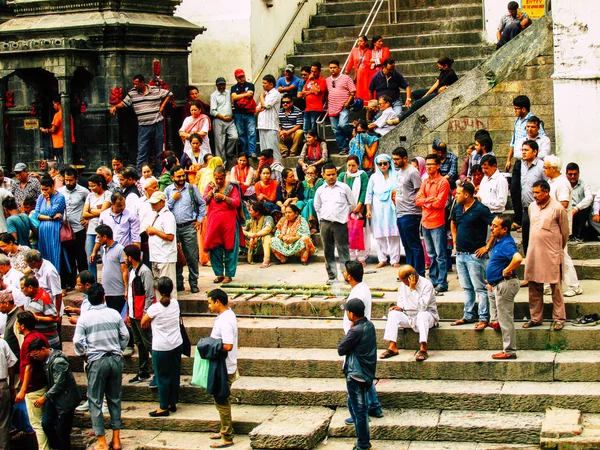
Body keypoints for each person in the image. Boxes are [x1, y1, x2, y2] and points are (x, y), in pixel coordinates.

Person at [73, 283, 129, 450]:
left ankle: (101, 441)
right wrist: (119, 349)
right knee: (115, 399)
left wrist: (85, 354)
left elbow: (77, 341)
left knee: (95, 401)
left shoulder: (85, 318)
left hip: (96, 361)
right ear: (103, 297)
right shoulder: (114, 314)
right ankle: (117, 439)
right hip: (115, 359)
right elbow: (125, 335)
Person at [341, 261, 383, 423]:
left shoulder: (358, 293)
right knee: (364, 373)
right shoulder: (362, 288)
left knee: (357, 376)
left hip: (356, 339)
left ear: (349, 276)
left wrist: (350, 339)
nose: (343, 274)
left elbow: (355, 319)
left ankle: (360, 413)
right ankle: (375, 406)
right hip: (361, 336)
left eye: (345, 271)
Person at [524, 181, 569, 331]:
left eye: (537, 192)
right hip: (534, 253)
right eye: (534, 192)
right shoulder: (532, 207)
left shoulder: (557, 208)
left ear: (547, 192)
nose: (535, 195)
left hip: (552, 253)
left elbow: (565, 233)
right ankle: (535, 318)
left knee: (555, 287)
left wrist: (557, 249)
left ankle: (559, 318)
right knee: (534, 286)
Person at [450, 182, 494, 329]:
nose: (456, 195)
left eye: (458, 193)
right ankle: (468, 315)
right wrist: (455, 241)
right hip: (460, 254)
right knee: (466, 287)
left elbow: (496, 226)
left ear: (467, 194)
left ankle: (483, 317)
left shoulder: (481, 209)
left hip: (474, 255)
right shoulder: (457, 207)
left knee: (479, 287)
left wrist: (487, 246)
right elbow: (453, 223)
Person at [109, 74, 173, 173]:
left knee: (158, 150)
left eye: (137, 84)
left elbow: (169, 94)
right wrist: (115, 107)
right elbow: (124, 103)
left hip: (157, 123)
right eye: (134, 84)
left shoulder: (155, 90)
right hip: (143, 125)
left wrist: (162, 107)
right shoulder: (132, 93)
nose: (135, 86)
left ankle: (160, 172)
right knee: (142, 150)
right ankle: (140, 173)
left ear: (143, 83)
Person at [337, 298, 376, 450]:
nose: (346, 313)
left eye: (347, 311)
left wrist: (351, 330)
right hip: (367, 373)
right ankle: (361, 434)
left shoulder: (355, 331)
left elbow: (341, 349)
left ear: (352, 314)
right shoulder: (370, 326)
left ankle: (363, 444)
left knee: (360, 412)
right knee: (352, 404)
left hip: (356, 375)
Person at [141, 276, 182, 417]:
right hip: (176, 344)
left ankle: (163, 406)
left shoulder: (154, 309)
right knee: (174, 374)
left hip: (161, 347)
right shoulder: (175, 303)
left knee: (162, 377)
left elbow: (143, 322)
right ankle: (172, 402)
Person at [29, 337, 80, 450]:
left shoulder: (58, 361)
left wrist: (45, 397)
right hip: (54, 399)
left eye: (36, 355)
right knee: (46, 423)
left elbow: (59, 384)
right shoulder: (44, 361)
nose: (36, 358)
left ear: (43, 349)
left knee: (62, 431)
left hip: (66, 399)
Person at [380, 265, 439, 361]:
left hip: (427, 316)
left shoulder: (426, 284)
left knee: (422, 314)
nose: (403, 283)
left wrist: (413, 289)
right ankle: (392, 347)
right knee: (393, 313)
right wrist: (400, 307)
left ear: (411, 278)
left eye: (404, 281)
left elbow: (423, 307)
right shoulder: (404, 284)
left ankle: (423, 348)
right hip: (409, 315)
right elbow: (401, 298)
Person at [543, 156, 583, 298]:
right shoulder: (551, 182)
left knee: (562, 255)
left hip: (559, 225)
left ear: (553, 168)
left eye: (546, 167)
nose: (544, 170)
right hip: (549, 224)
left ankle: (574, 285)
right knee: (549, 255)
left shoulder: (562, 183)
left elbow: (564, 204)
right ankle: (548, 284)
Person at [506, 96, 546, 228]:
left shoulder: (534, 121)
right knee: (515, 188)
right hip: (519, 160)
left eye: (517, 109)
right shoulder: (517, 121)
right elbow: (514, 141)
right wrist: (509, 159)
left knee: (530, 189)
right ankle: (519, 218)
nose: (515, 111)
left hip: (532, 162)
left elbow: (541, 139)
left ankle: (528, 219)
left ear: (524, 109)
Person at [165, 165, 206, 293]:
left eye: (183, 175)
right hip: (173, 228)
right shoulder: (168, 190)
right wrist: (173, 199)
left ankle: (193, 283)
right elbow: (164, 207)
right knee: (176, 256)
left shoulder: (191, 188)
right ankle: (178, 282)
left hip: (189, 226)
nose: (182, 178)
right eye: (179, 176)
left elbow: (202, 203)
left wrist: (199, 220)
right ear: (172, 177)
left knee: (192, 257)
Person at [206, 288, 239, 449]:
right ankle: (224, 429)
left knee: (222, 400)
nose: (209, 306)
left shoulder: (226, 320)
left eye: (210, 303)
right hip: (224, 365)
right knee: (220, 400)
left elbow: (227, 345)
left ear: (217, 302)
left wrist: (208, 347)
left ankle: (227, 436)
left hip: (224, 367)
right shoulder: (225, 315)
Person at [486, 215, 523, 359]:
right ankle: (495, 321)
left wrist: (507, 270)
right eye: (492, 225)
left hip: (506, 284)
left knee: (506, 318)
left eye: (495, 226)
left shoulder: (507, 243)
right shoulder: (498, 240)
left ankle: (509, 350)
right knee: (499, 315)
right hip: (497, 284)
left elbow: (518, 258)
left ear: (505, 229)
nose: (492, 228)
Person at [315, 162, 357, 284]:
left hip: (340, 224)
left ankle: (346, 276)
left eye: (333, 174)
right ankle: (332, 276)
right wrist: (322, 220)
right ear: (323, 175)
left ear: (336, 174)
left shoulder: (344, 188)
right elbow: (317, 206)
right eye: (328, 175)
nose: (331, 177)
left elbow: (352, 204)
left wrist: (343, 213)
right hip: (325, 223)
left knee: (343, 250)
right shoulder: (320, 190)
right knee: (328, 251)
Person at [15, 311, 50, 450]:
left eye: (18, 324)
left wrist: (23, 390)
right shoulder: (39, 336)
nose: (16, 326)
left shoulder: (28, 342)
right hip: (42, 382)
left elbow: (28, 367)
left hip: (33, 387)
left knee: (37, 424)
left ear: (22, 326)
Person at [416, 154, 450, 294]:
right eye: (427, 164)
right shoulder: (425, 182)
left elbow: (440, 203)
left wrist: (426, 201)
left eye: (432, 164)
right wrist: (430, 200)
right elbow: (417, 200)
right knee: (431, 254)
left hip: (437, 222)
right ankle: (434, 280)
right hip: (425, 222)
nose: (429, 167)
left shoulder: (443, 182)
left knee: (440, 254)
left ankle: (442, 282)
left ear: (438, 165)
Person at [204, 167, 243, 285]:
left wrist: (225, 198)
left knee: (230, 248)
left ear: (225, 177)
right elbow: (203, 200)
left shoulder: (232, 187)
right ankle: (219, 274)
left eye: (221, 178)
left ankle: (229, 274)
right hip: (214, 222)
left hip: (229, 223)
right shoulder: (210, 186)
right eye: (217, 178)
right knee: (214, 248)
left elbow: (237, 202)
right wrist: (209, 195)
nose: (219, 180)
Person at [124, 244, 155, 384]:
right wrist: (129, 313)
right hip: (133, 313)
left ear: (130, 258)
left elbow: (149, 295)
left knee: (149, 344)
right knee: (139, 343)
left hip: (141, 314)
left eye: (125, 256)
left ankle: (157, 373)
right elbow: (131, 295)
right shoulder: (132, 270)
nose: (124, 258)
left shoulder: (144, 272)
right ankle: (143, 372)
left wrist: (145, 314)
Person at [393, 147, 425, 276]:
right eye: (393, 159)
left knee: (414, 245)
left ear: (404, 158)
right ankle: (409, 272)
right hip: (400, 212)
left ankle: (419, 273)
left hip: (411, 213)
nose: (394, 162)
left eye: (397, 159)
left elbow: (419, 192)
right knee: (406, 245)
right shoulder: (400, 172)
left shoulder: (413, 172)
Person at [366, 154, 401, 267]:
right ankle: (382, 258)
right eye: (380, 164)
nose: (383, 166)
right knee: (379, 235)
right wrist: (368, 210)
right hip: (378, 209)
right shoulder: (373, 177)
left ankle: (395, 259)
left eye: (385, 163)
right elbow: (369, 194)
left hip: (392, 208)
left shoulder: (396, 175)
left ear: (389, 163)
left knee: (394, 235)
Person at [398, 57, 458, 121]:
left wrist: (446, 87)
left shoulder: (452, 74)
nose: (439, 68)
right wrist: (426, 94)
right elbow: (436, 84)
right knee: (415, 93)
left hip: (438, 94)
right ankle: (422, 108)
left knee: (416, 103)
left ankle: (400, 119)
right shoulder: (443, 71)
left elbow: (456, 86)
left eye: (440, 67)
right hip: (435, 91)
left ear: (445, 66)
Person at [58, 167, 89, 287]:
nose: (68, 183)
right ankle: (71, 282)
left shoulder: (84, 191)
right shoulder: (60, 192)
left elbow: (90, 204)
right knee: (68, 257)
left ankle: (84, 281)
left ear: (76, 179)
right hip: (65, 230)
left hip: (78, 228)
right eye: (66, 180)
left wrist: (87, 219)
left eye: (71, 180)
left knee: (80, 256)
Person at [338, 156, 370, 265]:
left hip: (360, 209)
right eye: (349, 165)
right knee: (348, 233)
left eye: (353, 165)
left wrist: (359, 205)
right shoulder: (342, 176)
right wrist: (348, 207)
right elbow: (339, 191)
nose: (351, 168)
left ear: (358, 165)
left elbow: (364, 191)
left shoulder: (363, 175)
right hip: (345, 209)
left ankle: (361, 257)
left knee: (361, 232)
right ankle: (351, 257)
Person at [24, 249, 62, 332]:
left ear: (34, 263)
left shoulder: (49, 272)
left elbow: (58, 294)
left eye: (28, 264)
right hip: (42, 306)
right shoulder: (37, 266)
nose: (27, 266)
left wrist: (57, 313)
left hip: (52, 308)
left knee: (53, 332)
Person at [35, 176, 65, 276]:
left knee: (55, 253)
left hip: (54, 229)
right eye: (42, 189)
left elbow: (51, 212)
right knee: (44, 253)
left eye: (46, 189)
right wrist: (51, 218)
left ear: (52, 187)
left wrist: (48, 200)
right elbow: (37, 215)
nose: (44, 192)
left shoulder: (60, 197)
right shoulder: (40, 197)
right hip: (43, 230)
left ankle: (56, 277)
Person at [82, 173, 111, 280]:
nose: (92, 188)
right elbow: (84, 213)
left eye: (93, 186)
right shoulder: (90, 196)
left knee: (105, 257)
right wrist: (95, 211)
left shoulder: (107, 194)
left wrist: (91, 210)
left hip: (103, 229)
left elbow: (103, 211)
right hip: (91, 230)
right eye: (90, 186)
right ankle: (92, 283)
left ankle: (106, 282)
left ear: (100, 184)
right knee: (90, 257)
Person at [520, 140, 546, 256]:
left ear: (535, 152)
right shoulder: (522, 165)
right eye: (522, 150)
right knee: (526, 236)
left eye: (526, 150)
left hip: (539, 207)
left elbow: (546, 185)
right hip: (526, 208)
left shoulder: (542, 166)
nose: (523, 152)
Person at [146, 191, 177, 286]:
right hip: (155, 256)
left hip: (165, 257)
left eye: (155, 203)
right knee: (158, 287)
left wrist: (154, 231)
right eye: (152, 203)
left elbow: (170, 236)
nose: (153, 205)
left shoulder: (168, 216)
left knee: (167, 287)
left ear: (162, 202)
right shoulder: (155, 215)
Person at [326, 59, 356, 154]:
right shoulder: (327, 80)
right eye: (330, 68)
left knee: (342, 125)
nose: (332, 69)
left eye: (334, 67)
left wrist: (348, 102)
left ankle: (352, 135)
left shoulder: (346, 78)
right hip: (332, 108)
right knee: (336, 130)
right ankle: (344, 148)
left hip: (344, 106)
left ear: (339, 68)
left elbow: (353, 91)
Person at [211, 77, 238, 165]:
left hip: (230, 120)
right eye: (220, 85)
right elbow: (213, 111)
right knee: (220, 144)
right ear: (216, 85)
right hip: (219, 120)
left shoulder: (229, 93)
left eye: (223, 84)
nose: (222, 86)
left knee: (234, 137)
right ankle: (222, 164)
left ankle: (228, 153)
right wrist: (223, 117)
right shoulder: (214, 95)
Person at [231, 69, 258, 159]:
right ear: (236, 78)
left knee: (252, 132)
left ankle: (252, 152)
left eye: (242, 76)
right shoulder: (234, 87)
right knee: (241, 133)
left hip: (249, 113)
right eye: (239, 77)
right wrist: (245, 95)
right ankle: (245, 152)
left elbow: (250, 94)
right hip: (238, 113)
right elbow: (234, 96)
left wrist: (240, 96)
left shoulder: (250, 85)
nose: (242, 78)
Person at [256, 74, 283, 162]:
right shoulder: (265, 95)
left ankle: (278, 171)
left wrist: (261, 98)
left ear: (271, 84)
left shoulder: (275, 93)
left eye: (265, 83)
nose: (263, 85)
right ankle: (266, 171)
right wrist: (263, 103)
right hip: (262, 125)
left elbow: (266, 105)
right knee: (264, 152)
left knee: (274, 151)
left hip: (271, 126)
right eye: (262, 83)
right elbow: (257, 109)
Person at [39, 98, 75, 163]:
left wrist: (45, 130)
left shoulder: (58, 115)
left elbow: (53, 130)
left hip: (60, 143)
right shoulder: (68, 113)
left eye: (54, 104)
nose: (53, 106)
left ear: (57, 103)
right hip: (69, 142)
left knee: (60, 162)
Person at [566, 162, 593, 242]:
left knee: (587, 207)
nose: (573, 177)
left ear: (579, 174)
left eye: (575, 174)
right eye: (570, 174)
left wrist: (576, 208)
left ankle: (578, 234)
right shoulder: (563, 183)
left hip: (578, 211)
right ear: (566, 174)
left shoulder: (584, 183)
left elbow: (589, 197)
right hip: (566, 211)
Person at [243, 201, 275, 268]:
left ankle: (266, 260)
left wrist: (255, 235)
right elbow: (241, 230)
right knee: (237, 235)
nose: (249, 212)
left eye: (251, 210)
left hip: (263, 245)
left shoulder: (268, 218)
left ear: (257, 212)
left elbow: (268, 229)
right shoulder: (251, 220)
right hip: (252, 244)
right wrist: (249, 234)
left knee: (267, 236)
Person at [0, 325, 17, 450]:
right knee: (3, 421)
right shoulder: (2, 343)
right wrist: (11, 384)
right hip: (2, 385)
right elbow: (12, 365)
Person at [299, 61, 327, 133]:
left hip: (316, 108)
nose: (313, 73)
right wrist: (312, 91)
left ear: (320, 71)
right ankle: (307, 143)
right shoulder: (308, 79)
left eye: (315, 72)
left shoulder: (322, 81)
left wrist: (312, 82)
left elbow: (317, 92)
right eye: (311, 71)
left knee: (313, 129)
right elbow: (302, 92)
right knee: (305, 129)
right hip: (307, 108)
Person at [345, 35, 372, 102]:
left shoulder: (370, 51)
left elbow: (372, 63)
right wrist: (346, 72)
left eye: (361, 41)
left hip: (367, 75)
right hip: (358, 75)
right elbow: (350, 62)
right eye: (358, 41)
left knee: (367, 89)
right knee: (359, 91)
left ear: (366, 42)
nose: (359, 43)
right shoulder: (354, 50)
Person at [301, 166, 324, 234]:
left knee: (311, 202)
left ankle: (313, 225)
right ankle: (304, 226)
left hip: (317, 202)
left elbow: (315, 197)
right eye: (307, 173)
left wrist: (311, 184)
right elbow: (303, 196)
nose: (309, 175)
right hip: (305, 201)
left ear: (316, 174)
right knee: (300, 204)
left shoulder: (320, 182)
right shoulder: (303, 183)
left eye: (311, 173)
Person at [0, 289, 21, 363]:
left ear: (6, 303)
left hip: (18, 361)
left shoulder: (18, 317)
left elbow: (21, 342)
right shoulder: (10, 314)